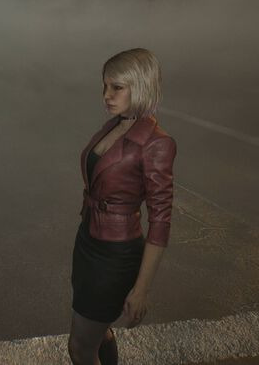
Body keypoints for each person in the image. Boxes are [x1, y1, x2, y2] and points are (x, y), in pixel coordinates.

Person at [68, 48, 177, 365]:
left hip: (115, 255)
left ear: (141, 86)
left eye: (117, 87)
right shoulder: (115, 125)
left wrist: (141, 289)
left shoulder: (157, 142)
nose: (106, 95)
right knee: (99, 332)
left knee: (80, 347)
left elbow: (160, 221)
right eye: (105, 86)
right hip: (87, 242)